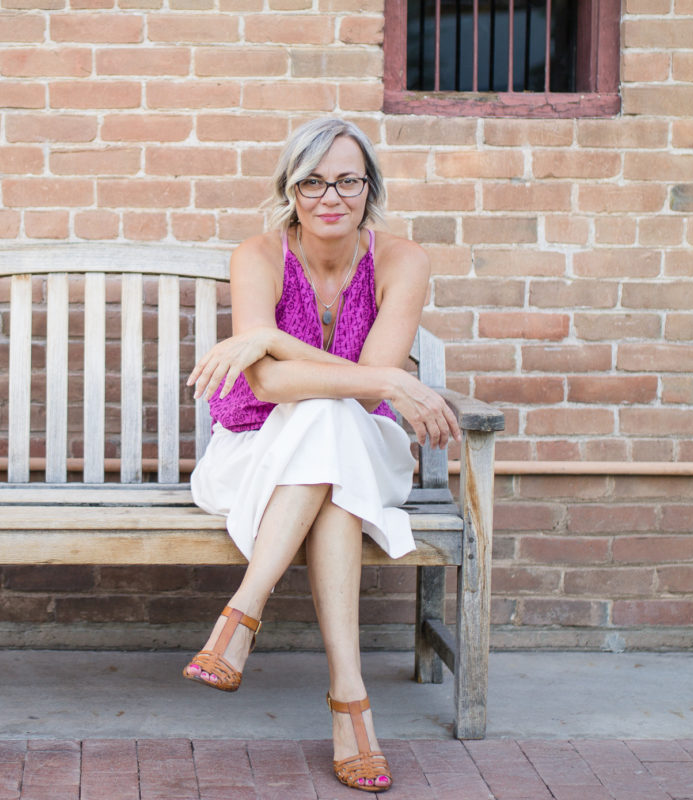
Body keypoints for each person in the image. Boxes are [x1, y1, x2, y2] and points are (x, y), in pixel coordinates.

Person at [184, 117, 460, 793]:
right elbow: (270, 384)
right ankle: (350, 699)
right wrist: (394, 380)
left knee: (333, 418)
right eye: (311, 181)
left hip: (366, 445)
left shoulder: (402, 261)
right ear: (290, 188)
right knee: (324, 438)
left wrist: (278, 344)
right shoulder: (259, 255)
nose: (329, 196)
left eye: (346, 180)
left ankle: (243, 613)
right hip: (255, 450)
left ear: (370, 189)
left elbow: (358, 396)